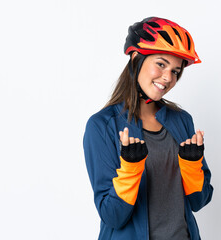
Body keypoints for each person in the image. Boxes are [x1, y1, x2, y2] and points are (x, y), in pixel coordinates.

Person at [83, 17, 213, 240]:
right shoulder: (102, 126)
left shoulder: (182, 121)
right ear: (136, 59)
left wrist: (192, 167)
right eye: (161, 64)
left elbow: (199, 201)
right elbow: (112, 216)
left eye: (175, 71)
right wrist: (131, 169)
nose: (167, 78)